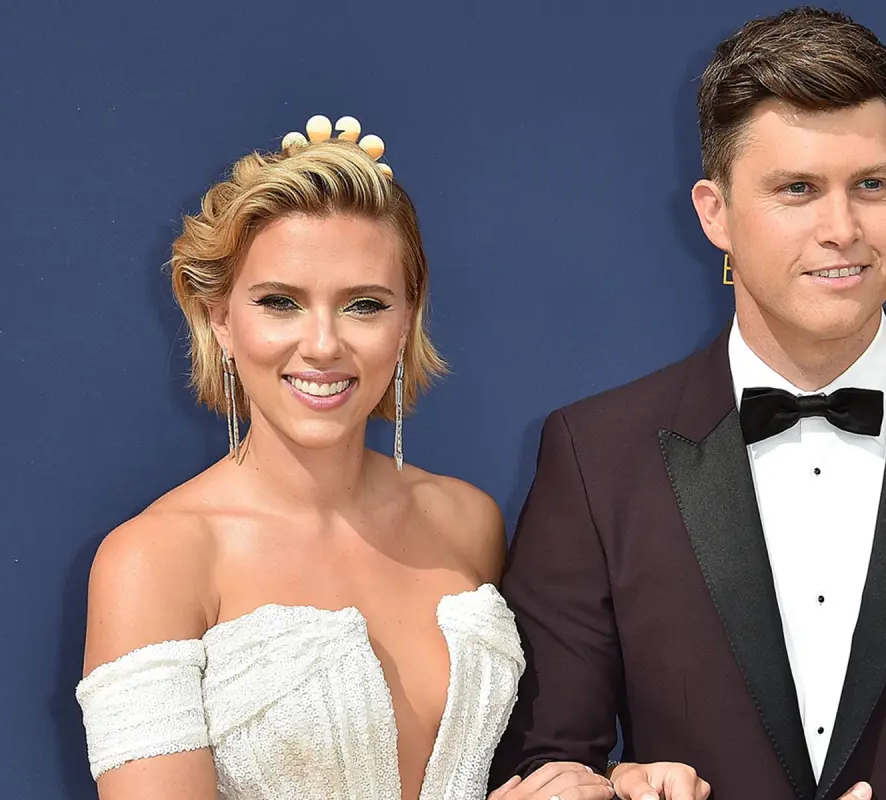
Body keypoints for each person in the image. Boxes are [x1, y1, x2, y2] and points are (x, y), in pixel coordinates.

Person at [490, 8, 886, 800]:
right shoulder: (594, 458)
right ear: (713, 213)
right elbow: (546, 772)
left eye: (871, 185)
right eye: (797, 189)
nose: (842, 229)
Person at [75, 116, 613, 800]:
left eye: (363, 305)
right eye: (280, 303)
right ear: (219, 319)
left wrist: (614, 784)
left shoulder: (467, 522)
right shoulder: (153, 560)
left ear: (408, 319)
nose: (323, 344)